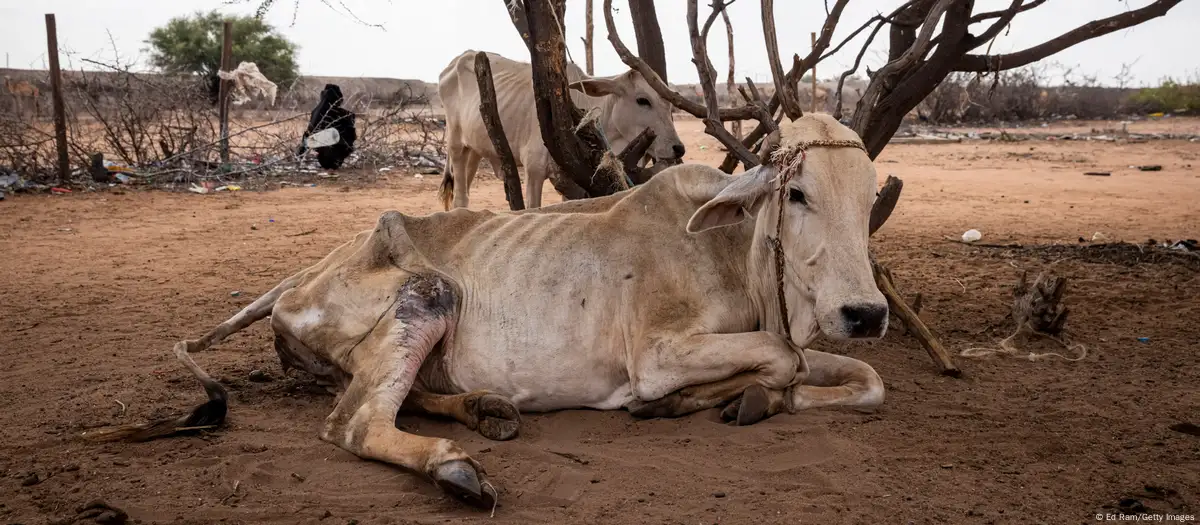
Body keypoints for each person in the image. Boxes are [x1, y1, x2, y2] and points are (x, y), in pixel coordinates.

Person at [297, 83, 357, 170]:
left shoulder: (316, 111)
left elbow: (308, 135)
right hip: (332, 153)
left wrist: (300, 154)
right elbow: (351, 137)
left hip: (324, 152)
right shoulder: (344, 114)